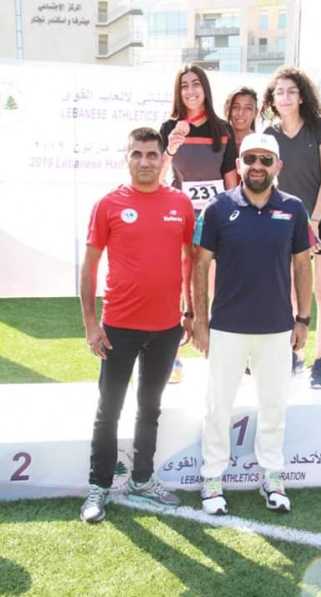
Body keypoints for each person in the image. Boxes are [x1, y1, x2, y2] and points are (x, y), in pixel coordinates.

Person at [193, 133, 313, 516]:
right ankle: (212, 478)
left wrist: (303, 319)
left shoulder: (294, 208)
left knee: (274, 406)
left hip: (277, 328)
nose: (257, 166)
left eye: (265, 159)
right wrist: (199, 320)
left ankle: (272, 477)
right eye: (250, 159)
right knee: (218, 407)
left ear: (278, 165)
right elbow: (200, 265)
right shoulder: (217, 208)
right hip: (227, 327)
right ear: (239, 164)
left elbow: (302, 265)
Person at [79, 127, 194, 523]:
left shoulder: (180, 203)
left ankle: (142, 479)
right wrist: (91, 323)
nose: (145, 162)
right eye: (137, 154)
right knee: (109, 408)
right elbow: (89, 267)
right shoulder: (108, 204)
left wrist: (189, 312)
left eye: (151, 154)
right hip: (119, 327)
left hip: (166, 327)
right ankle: (99, 485)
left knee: (150, 407)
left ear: (163, 158)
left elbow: (189, 260)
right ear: (126, 158)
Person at [261, 65, 321, 388]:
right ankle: (294, 355)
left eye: (291, 91)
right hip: (290, 222)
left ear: (301, 97)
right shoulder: (269, 135)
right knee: (291, 295)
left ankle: (320, 361)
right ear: (272, 99)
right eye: (279, 92)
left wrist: (314, 222)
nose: (285, 97)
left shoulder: (320, 127)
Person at [160, 63, 238, 383]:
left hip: (216, 219)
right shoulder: (169, 127)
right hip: (180, 217)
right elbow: (159, 175)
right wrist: (170, 147)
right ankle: (173, 358)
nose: (190, 91)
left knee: (216, 286)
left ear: (205, 88)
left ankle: (218, 357)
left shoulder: (222, 129)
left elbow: (231, 182)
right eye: (184, 85)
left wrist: (233, 220)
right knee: (179, 285)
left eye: (196, 84)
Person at [224, 86, 258, 150]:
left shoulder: (261, 144)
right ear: (228, 110)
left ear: (255, 113)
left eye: (247, 108)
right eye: (235, 107)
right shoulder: (220, 141)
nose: (240, 113)